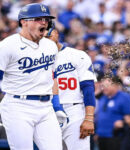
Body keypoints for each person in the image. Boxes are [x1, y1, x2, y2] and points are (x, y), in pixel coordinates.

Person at [0, 3, 67, 150]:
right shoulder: (7, 45)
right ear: (23, 22)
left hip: (46, 107)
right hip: (17, 106)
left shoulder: (50, 46)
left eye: (46, 19)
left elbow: (52, 78)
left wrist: (57, 106)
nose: (44, 22)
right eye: (38, 19)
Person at [46, 28, 96, 150]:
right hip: (47, 111)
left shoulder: (77, 55)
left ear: (56, 33)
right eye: (42, 37)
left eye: (48, 35)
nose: (46, 40)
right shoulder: (38, 60)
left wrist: (89, 118)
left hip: (74, 110)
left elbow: (88, 88)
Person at [95, 76, 130, 150]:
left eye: (107, 85)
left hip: (116, 137)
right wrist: (98, 133)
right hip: (101, 137)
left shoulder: (124, 97)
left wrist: (123, 122)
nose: (104, 88)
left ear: (115, 85)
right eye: (103, 86)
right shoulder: (103, 98)